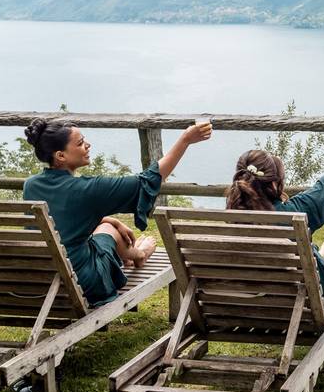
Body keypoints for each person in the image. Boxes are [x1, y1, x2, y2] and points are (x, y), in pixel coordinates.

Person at [23, 118, 212, 306]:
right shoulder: (88, 190)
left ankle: (133, 254)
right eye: (80, 143)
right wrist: (185, 140)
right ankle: (140, 254)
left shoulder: (31, 185)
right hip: (81, 283)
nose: (88, 145)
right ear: (60, 156)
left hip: (41, 280)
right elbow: (149, 180)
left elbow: (65, 213)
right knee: (109, 233)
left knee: (107, 227)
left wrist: (111, 220)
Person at [225, 119, 324, 316]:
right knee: (314, 259)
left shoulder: (232, 220)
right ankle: (321, 255)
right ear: (274, 185)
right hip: (296, 307)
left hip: (243, 308)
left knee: (314, 255)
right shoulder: (293, 213)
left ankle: (320, 254)